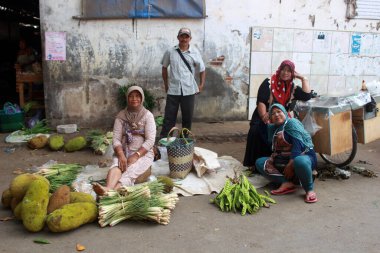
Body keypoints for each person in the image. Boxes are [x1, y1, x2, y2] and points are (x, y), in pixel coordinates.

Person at [243, 60, 312, 170]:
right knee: (257, 130)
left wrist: (303, 78)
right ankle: (254, 163)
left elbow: (306, 95)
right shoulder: (269, 82)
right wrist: (264, 116)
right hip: (264, 114)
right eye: (283, 70)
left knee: (285, 132)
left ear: (292, 73)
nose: (285, 73)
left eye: (289, 71)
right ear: (279, 70)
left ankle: (275, 161)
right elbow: (261, 101)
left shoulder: (292, 87)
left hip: (279, 117)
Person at [93, 86, 156, 195]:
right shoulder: (121, 116)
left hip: (143, 154)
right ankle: (108, 188)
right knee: (117, 165)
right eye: (131, 96)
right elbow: (116, 139)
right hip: (124, 151)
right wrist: (121, 155)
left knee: (131, 170)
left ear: (142, 98)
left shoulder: (148, 116)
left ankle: (111, 192)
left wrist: (136, 155)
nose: (134, 99)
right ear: (127, 98)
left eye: (137, 96)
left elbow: (150, 140)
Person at [255, 103, 318, 203]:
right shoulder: (273, 129)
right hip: (285, 160)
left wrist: (290, 164)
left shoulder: (292, 123)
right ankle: (286, 182)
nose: (276, 115)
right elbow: (276, 150)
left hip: (303, 157)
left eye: (279, 111)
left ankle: (309, 190)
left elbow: (298, 146)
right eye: (273, 113)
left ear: (285, 113)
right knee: (260, 162)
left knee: (300, 161)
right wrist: (273, 159)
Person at [159, 27, 206, 139]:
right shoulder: (170, 51)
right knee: (169, 119)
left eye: (186, 36)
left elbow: (202, 69)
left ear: (190, 38)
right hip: (173, 90)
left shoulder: (195, 52)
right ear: (178, 37)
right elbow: (164, 68)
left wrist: (201, 85)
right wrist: (166, 85)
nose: (184, 39)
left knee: (187, 119)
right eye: (182, 36)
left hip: (189, 90)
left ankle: (183, 143)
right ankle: (164, 142)